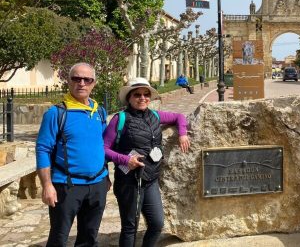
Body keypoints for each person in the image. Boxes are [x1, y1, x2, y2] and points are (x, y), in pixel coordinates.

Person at [104, 77, 190, 246]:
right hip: (129, 181)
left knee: (157, 223)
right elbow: (103, 148)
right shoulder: (119, 119)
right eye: (137, 94)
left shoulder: (155, 116)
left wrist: (182, 133)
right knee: (130, 227)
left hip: (150, 179)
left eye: (146, 94)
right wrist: (125, 159)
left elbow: (179, 116)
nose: (142, 98)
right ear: (129, 97)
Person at [35, 62, 109, 246]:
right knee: (59, 238)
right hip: (66, 186)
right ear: (68, 81)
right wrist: (47, 185)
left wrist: (105, 174)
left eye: (87, 79)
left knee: (89, 237)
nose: (81, 83)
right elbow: (43, 149)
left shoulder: (99, 111)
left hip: (98, 184)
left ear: (94, 83)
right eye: (76, 78)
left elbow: (102, 145)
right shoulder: (56, 113)